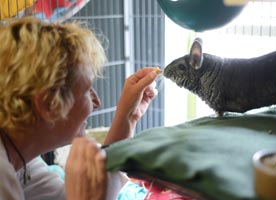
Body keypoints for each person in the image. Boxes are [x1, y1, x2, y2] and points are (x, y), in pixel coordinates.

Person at [0, 16, 159, 200]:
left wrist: (127, 117)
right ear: (48, 104)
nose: (96, 103)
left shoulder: (21, 158)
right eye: (86, 90)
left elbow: (73, 196)